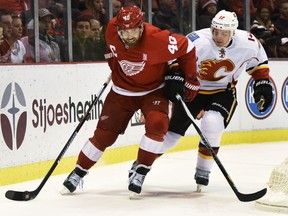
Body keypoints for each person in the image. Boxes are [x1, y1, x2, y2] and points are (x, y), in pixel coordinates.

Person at [60, 5, 199, 195]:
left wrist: (188, 77)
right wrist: (113, 64)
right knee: (104, 135)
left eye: (134, 30)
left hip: (153, 91)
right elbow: (111, 51)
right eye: (125, 32)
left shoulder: (157, 39)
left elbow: (188, 47)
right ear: (118, 29)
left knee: (158, 125)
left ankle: (140, 170)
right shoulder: (110, 29)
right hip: (121, 91)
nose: (130, 35)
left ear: (141, 27)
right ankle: (78, 171)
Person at [129, 10, 273, 192]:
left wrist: (262, 83)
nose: (218, 37)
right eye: (215, 31)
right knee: (171, 136)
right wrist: (175, 75)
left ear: (233, 32)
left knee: (212, 123)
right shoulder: (197, 40)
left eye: (224, 33)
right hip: (193, 90)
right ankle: (141, 164)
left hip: (223, 91)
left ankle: (203, 170)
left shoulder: (249, 43)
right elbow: (175, 59)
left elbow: (259, 65)